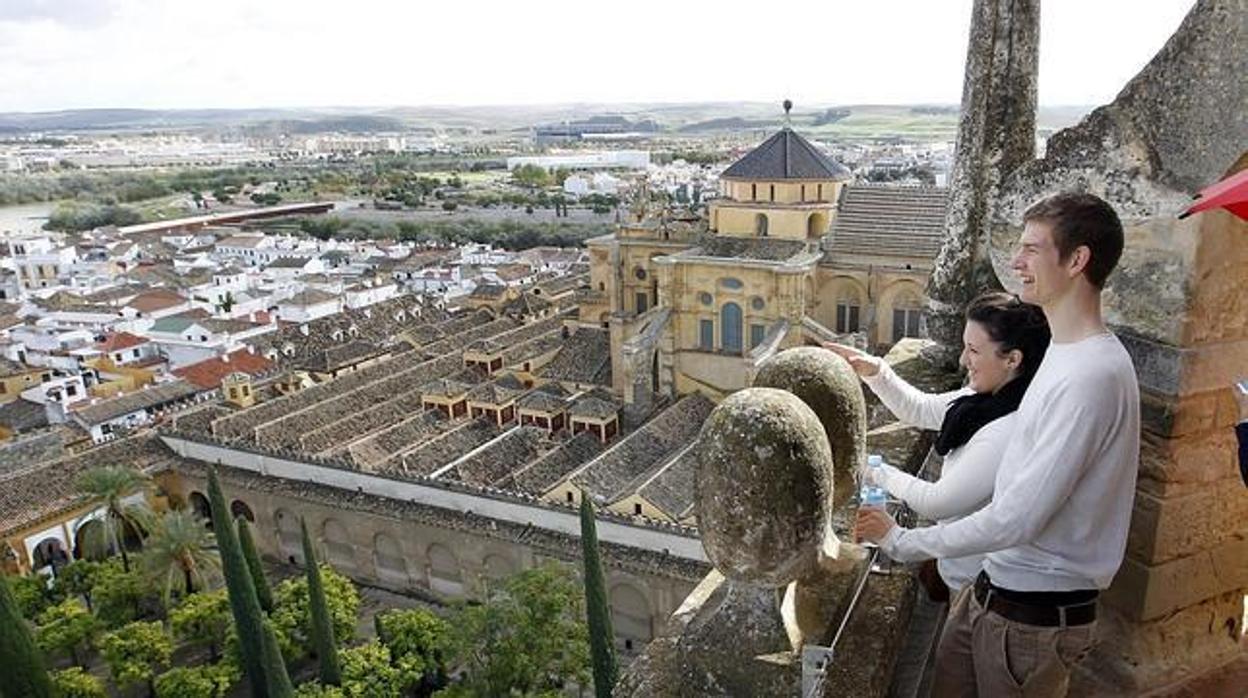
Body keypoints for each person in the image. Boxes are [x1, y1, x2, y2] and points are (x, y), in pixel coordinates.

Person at [856, 192, 1141, 697]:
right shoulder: (1063, 352)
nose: (1016, 261)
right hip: (994, 591)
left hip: (1031, 618)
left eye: (1032, 249)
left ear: (1077, 261)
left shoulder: (1090, 376)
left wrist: (903, 543)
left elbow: (1017, 518)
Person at [826, 291, 1050, 599]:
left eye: (973, 350)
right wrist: (874, 370)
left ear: (1013, 359)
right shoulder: (985, 399)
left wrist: (873, 470)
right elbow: (920, 409)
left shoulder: (1007, 429)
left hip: (981, 590)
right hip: (964, 576)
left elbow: (937, 502)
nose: (962, 360)